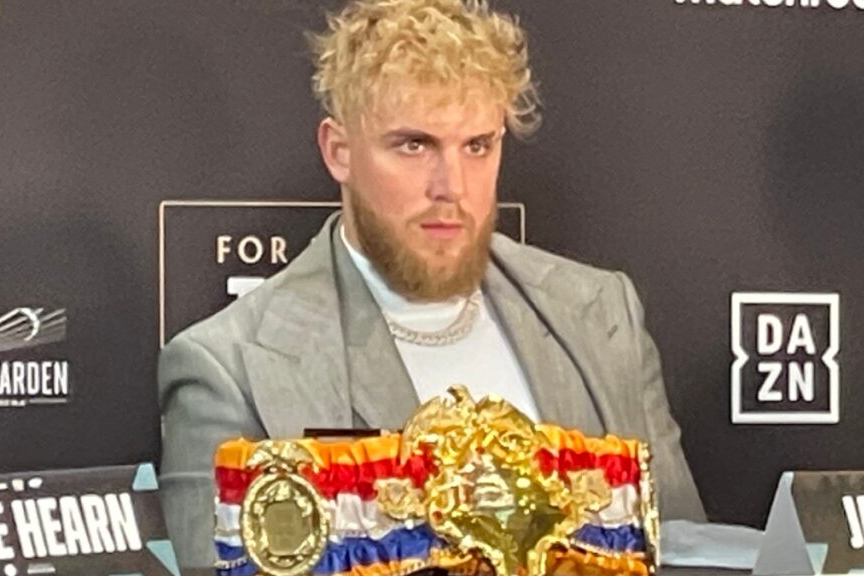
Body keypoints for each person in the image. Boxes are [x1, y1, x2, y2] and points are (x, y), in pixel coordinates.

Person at [158, 0, 706, 568]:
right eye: (414, 145)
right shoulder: (230, 370)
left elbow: (690, 554)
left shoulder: (599, 316)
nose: (453, 186)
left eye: (477, 146)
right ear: (339, 152)